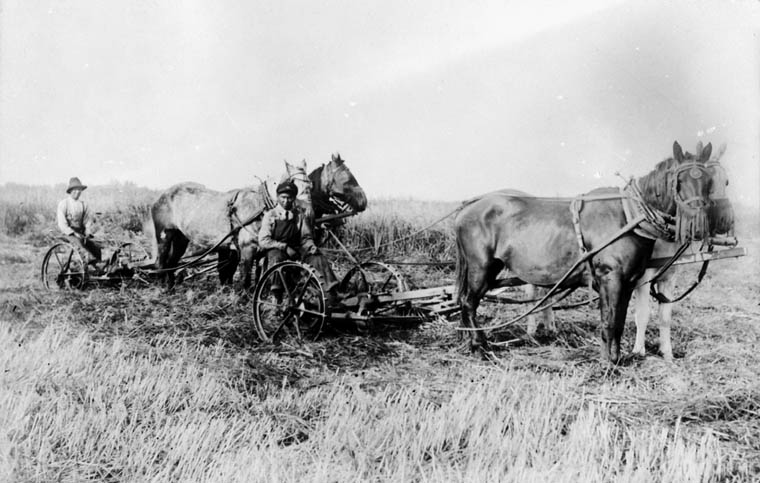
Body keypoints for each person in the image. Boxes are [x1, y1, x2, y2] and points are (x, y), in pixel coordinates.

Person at [258, 180, 339, 300]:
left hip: (297, 250)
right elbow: (264, 240)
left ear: (294, 198)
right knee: (277, 258)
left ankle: (332, 292)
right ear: (277, 197)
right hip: (276, 250)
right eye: (283, 197)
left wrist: (311, 246)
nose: (286, 201)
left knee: (318, 258)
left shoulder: (299, 215)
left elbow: (305, 237)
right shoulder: (271, 215)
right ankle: (277, 297)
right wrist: (284, 247)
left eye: (289, 198)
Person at [56, 176, 102, 267]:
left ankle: (97, 268)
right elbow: (62, 224)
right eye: (75, 190)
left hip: (81, 233)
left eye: (79, 190)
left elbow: (87, 220)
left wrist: (87, 230)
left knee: (95, 247)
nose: (77, 192)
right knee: (81, 247)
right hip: (68, 233)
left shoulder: (83, 205)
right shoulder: (64, 204)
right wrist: (72, 233)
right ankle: (84, 266)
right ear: (70, 191)